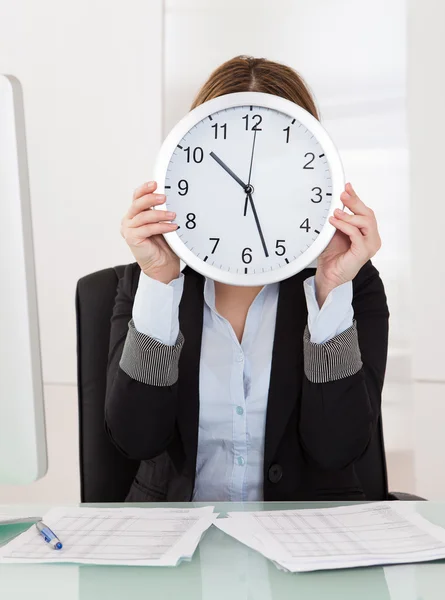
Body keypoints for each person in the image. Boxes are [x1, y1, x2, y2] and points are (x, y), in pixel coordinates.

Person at [105, 55, 388, 502]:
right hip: (179, 548)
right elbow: (135, 440)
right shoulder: (145, 283)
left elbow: (338, 450)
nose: (253, 182)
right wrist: (159, 283)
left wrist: (331, 291)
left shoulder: (353, 285)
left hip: (302, 542)